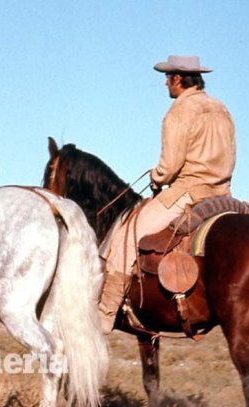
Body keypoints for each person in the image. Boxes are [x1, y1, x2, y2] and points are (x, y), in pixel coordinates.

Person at [98, 54, 236, 333]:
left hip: (188, 192)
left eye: (166, 78)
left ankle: (106, 312)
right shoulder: (221, 108)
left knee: (126, 236)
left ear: (177, 79)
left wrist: (156, 176)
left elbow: (170, 167)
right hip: (223, 193)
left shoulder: (178, 112)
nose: (165, 84)